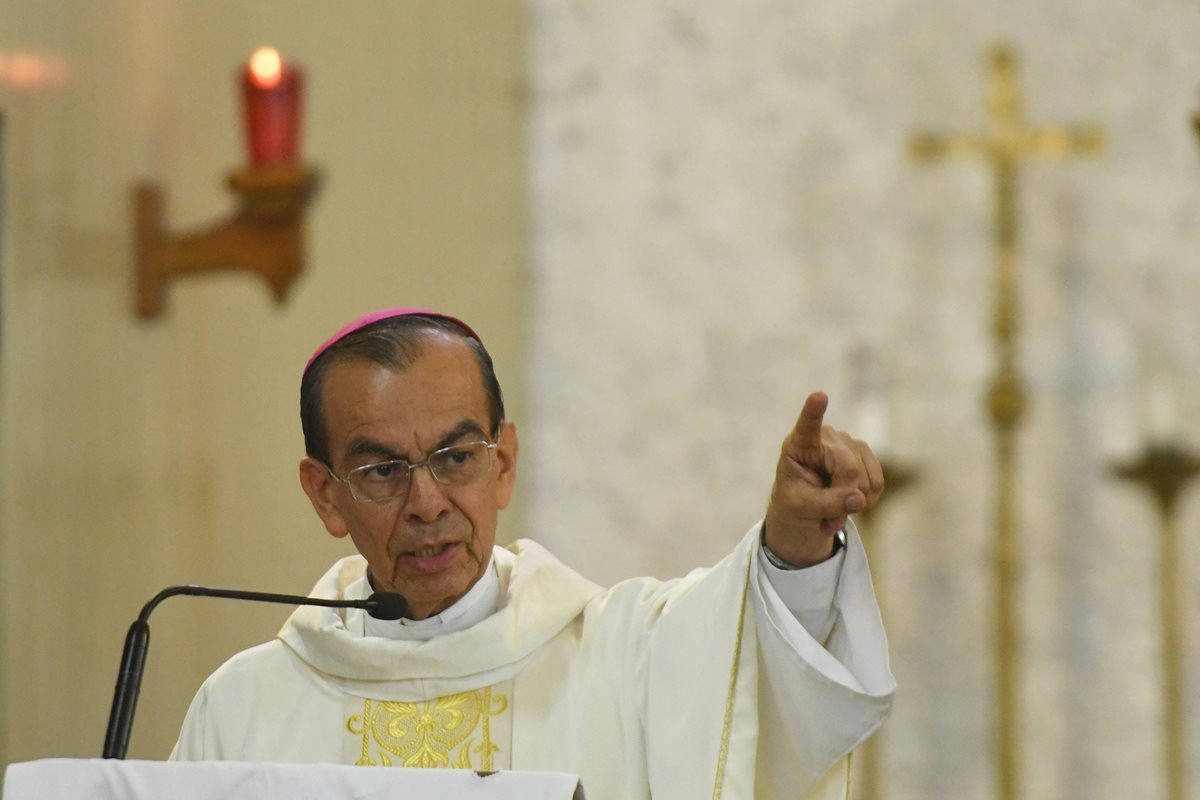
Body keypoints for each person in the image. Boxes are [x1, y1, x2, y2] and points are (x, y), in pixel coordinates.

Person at [171, 308, 896, 800]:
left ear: (505, 464)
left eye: (457, 457)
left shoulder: (625, 654)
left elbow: (758, 679)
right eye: (383, 472)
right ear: (325, 495)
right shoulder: (242, 710)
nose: (427, 504)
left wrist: (797, 543)